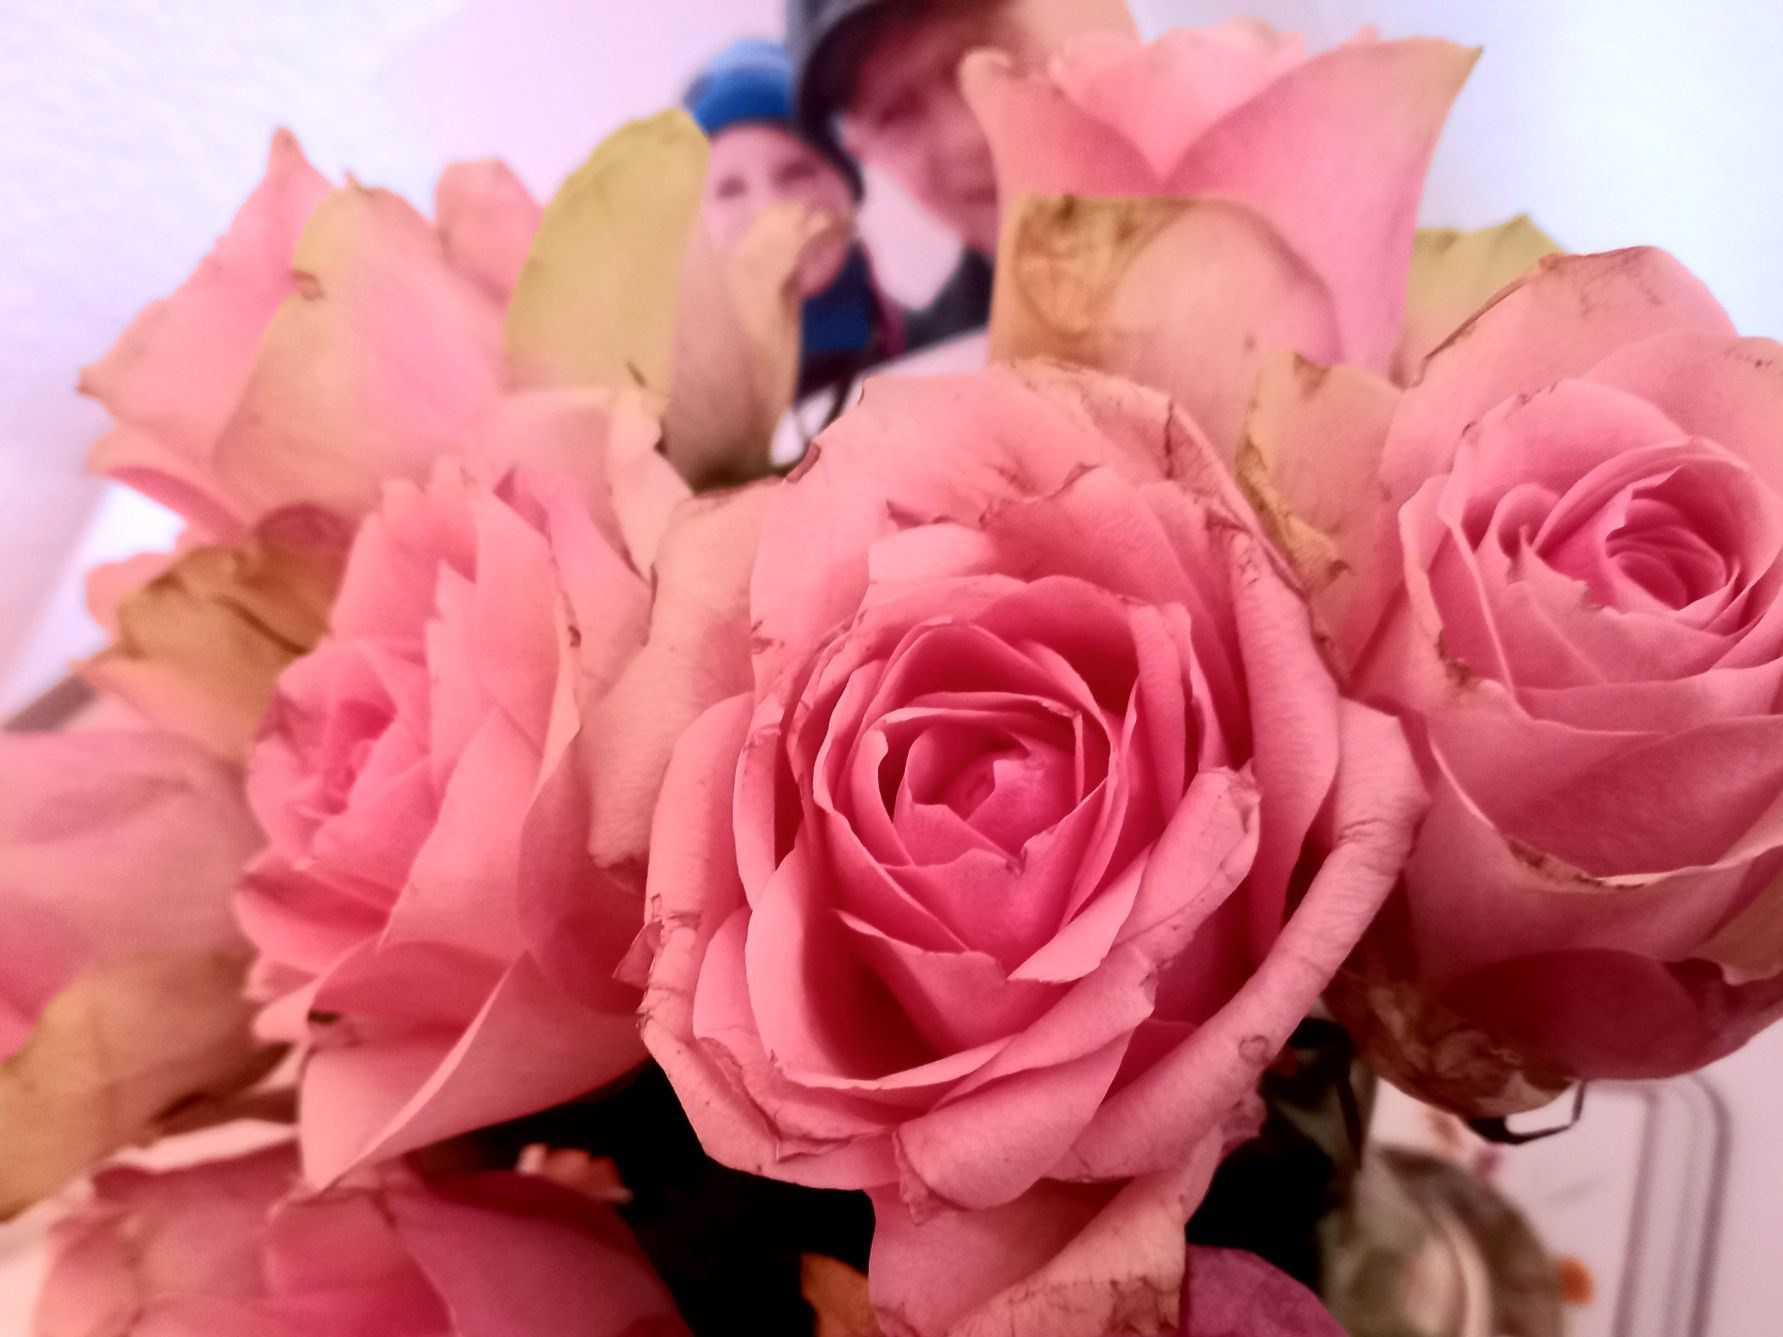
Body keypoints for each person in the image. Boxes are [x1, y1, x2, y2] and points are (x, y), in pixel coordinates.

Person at [787, 0, 1135, 350]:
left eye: (984, 58)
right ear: (862, 152)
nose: (966, 137)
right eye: (895, 114)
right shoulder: (937, 369)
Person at [684, 38, 906, 403]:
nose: (770, 208)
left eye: (797, 173)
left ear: (848, 189)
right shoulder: (664, 421)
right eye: (729, 189)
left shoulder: (955, 344)